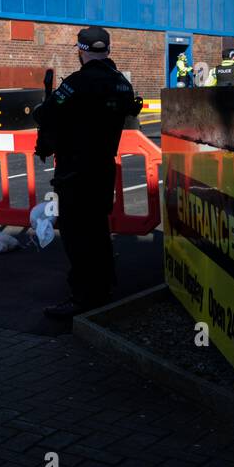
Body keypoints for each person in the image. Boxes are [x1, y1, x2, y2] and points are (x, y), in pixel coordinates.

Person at [33, 26, 142, 319]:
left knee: (77, 236)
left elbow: (46, 114)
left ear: (82, 50)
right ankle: (103, 288)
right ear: (107, 49)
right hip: (103, 168)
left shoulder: (77, 84)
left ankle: (83, 298)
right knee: (98, 231)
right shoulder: (122, 84)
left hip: (76, 172)